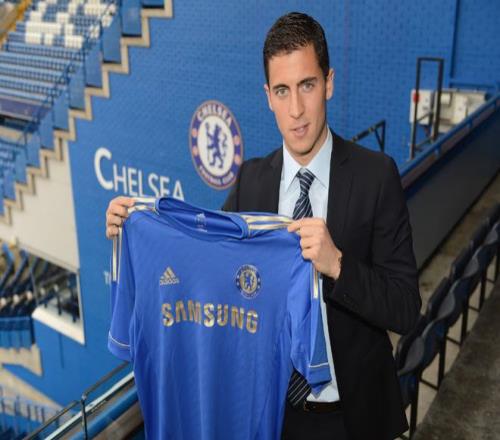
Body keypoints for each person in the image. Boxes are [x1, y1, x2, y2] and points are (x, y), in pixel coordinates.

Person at [106, 12, 421, 440]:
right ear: (268, 96)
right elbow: (205, 259)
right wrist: (135, 227)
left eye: (307, 85)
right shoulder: (251, 182)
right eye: (282, 91)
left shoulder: (376, 176)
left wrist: (338, 265)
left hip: (354, 417)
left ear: (328, 83)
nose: (296, 110)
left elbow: (405, 308)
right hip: (273, 417)